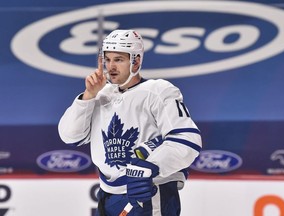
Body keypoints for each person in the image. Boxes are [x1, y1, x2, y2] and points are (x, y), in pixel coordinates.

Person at [58, 29, 202, 216]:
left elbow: (187, 140)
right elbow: (70, 136)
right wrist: (88, 96)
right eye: (107, 60)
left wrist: (151, 166)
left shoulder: (158, 91)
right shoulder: (101, 94)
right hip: (107, 195)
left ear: (136, 61)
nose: (111, 67)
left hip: (148, 194)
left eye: (118, 59)